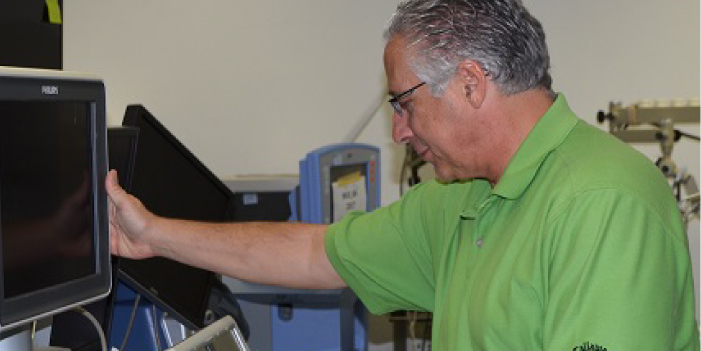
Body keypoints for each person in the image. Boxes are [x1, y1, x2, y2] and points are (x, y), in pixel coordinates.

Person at [107, 0, 700, 349]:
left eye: (404, 103)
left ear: (470, 83)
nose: (399, 133)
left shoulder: (603, 203)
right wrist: (152, 234)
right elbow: (317, 255)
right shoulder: (465, 197)